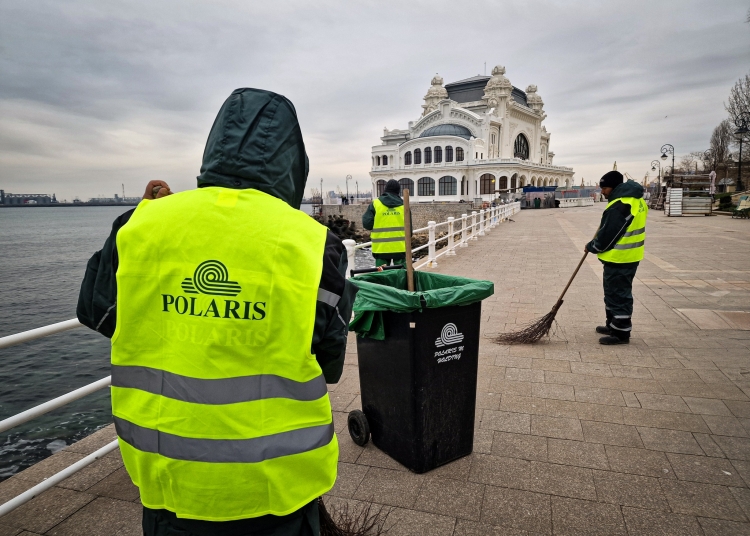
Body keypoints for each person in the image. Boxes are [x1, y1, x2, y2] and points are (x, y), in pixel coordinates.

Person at [77, 88, 357, 536]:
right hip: (276, 486)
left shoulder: (139, 225)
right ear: (293, 162)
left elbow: (98, 315)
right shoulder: (314, 243)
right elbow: (328, 363)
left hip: (167, 479)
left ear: (214, 146)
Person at [585, 170, 648, 345]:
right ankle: (613, 324)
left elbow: (609, 235)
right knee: (613, 292)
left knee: (618, 294)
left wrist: (593, 246)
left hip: (621, 258)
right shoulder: (636, 200)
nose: (602, 191)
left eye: (604, 187)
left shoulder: (621, 204)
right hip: (628, 256)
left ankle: (620, 333)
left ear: (614, 187)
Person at [362, 179, 411, 268]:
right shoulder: (404, 205)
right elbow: (409, 230)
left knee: (381, 277)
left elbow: (367, 224)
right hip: (400, 248)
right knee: (402, 275)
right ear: (398, 191)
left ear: (385, 189)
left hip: (381, 248)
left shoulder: (375, 204)